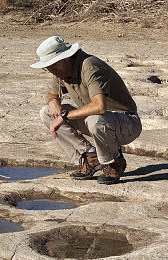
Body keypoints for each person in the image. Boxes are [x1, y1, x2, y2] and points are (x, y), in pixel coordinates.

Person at [33, 36, 142, 185]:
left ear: (65, 58)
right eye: (47, 67)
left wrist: (64, 116)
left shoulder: (89, 65)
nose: (51, 70)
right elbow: (52, 94)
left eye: (53, 65)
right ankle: (91, 156)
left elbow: (99, 106)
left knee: (94, 119)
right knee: (46, 112)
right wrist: (52, 101)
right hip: (101, 122)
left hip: (126, 123)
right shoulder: (61, 70)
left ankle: (113, 161)